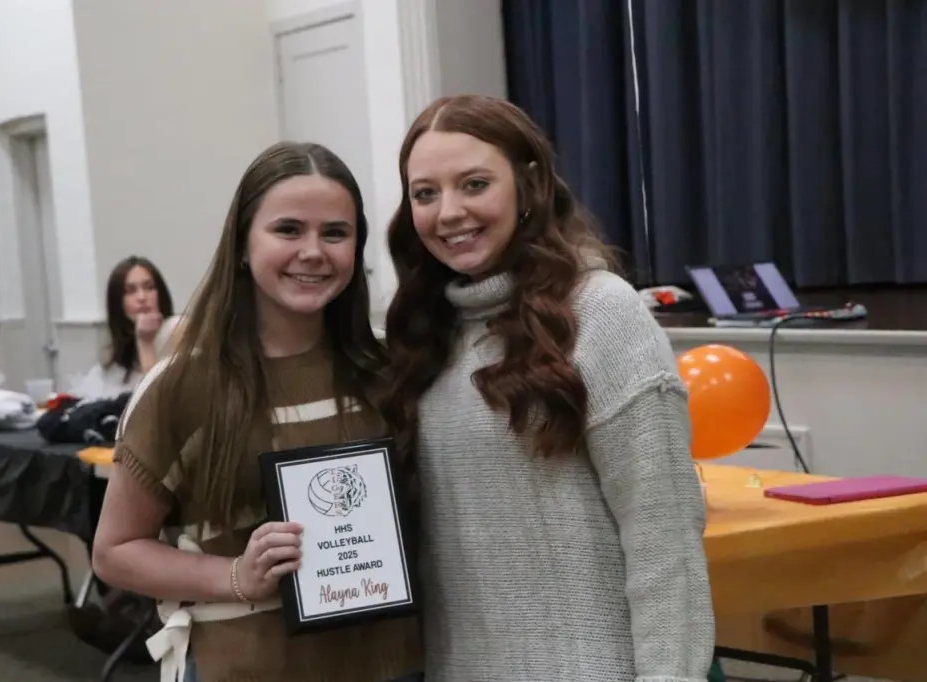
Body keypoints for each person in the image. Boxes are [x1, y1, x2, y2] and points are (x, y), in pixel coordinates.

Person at [382, 94, 715, 681]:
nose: (449, 212)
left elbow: (664, 538)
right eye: (425, 193)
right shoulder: (424, 336)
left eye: (475, 184)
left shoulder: (602, 312)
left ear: (529, 184)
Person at [91, 142, 423, 682]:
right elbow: (115, 551)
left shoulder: (392, 369)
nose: (312, 251)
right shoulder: (182, 388)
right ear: (243, 245)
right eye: (288, 230)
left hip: (397, 665)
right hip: (249, 668)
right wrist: (236, 576)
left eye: (335, 233)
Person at [72, 256, 179, 399]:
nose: (142, 297)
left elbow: (156, 401)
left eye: (149, 288)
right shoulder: (113, 363)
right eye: (130, 291)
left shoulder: (177, 330)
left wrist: (146, 342)